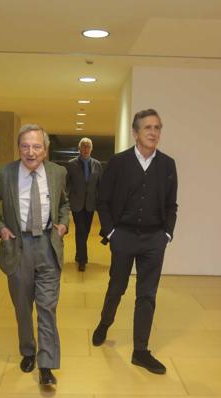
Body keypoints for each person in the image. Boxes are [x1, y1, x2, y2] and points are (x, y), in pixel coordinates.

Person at [92, 109, 178, 375]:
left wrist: (167, 234)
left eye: (157, 128)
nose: (153, 132)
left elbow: (171, 204)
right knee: (117, 287)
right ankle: (105, 322)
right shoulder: (118, 162)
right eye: (148, 128)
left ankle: (140, 350)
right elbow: (102, 201)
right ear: (136, 132)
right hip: (124, 236)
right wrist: (111, 233)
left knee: (147, 294)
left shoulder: (167, 164)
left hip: (154, 238)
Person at [0, 124, 69, 387]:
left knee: (47, 307)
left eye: (36, 146)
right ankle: (28, 351)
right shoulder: (4, 174)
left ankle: (46, 364)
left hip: (47, 245)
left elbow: (64, 204)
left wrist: (63, 224)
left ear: (45, 150)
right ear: (19, 148)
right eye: (25, 146)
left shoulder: (57, 173)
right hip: (18, 247)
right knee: (23, 307)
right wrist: (1, 229)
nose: (30, 152)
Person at [65, 137, 101, 271]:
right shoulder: (71, 164)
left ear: (91, 149)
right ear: (79, 148)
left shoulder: (97, 164)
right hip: (76, 203)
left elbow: (99, 185)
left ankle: (78, 253)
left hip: (91, 204)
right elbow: (66, 185)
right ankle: (83, 260)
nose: (86, 149)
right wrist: (65, 201)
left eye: (88, 147)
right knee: (80, 230)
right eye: (83, 147)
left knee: (85, 231)